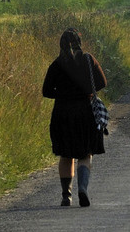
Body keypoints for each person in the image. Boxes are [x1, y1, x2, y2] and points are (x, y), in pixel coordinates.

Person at [41, 28, 107, 207]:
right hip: (85, 112)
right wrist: (86, 92)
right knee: (85, 153)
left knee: (65, 154)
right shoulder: (88, 60)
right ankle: (82, 188)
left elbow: (46, 91)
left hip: (62, 113)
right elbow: (102, 82)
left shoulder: (56, 64)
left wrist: (63, 93)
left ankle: (66, 195)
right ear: (80, 42)